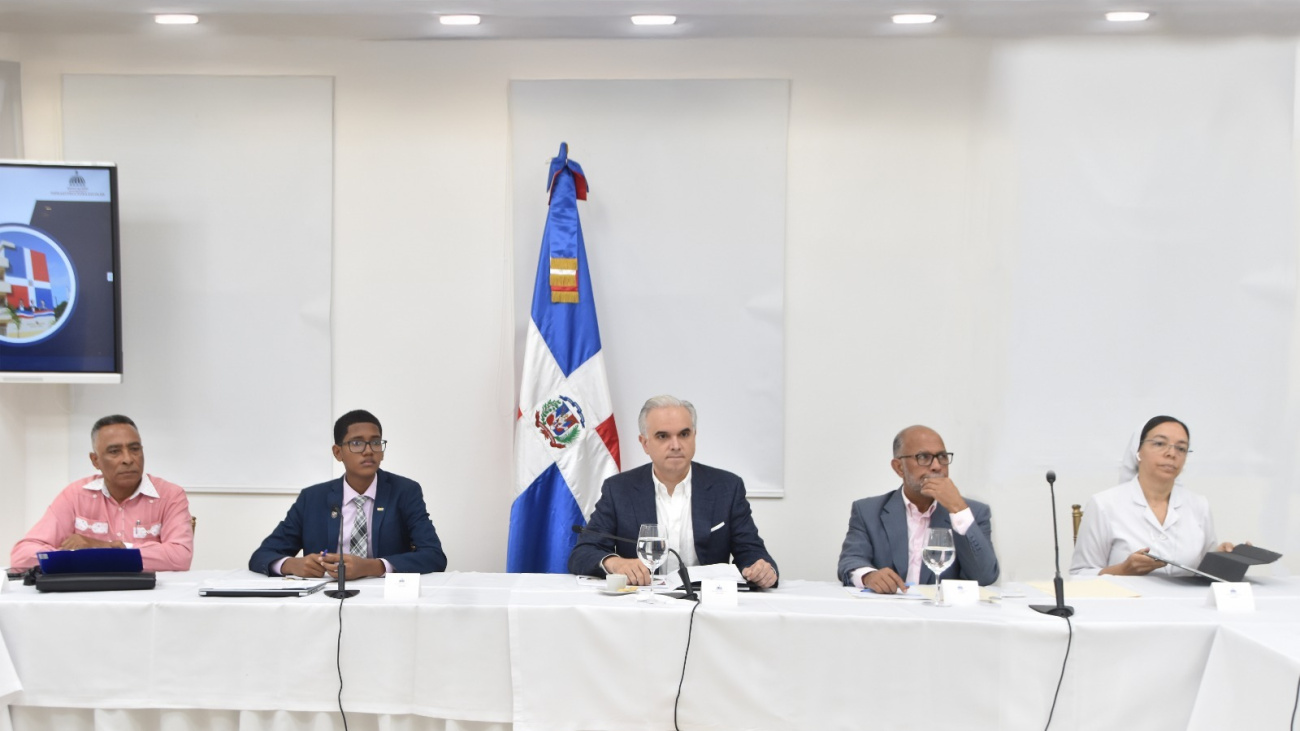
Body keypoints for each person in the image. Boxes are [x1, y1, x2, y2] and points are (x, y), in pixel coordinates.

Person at [567, 395, 779, 588]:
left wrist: (762, 569)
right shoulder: (619, 489)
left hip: (706, 603)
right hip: (642, 602)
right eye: (663, 436)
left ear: (694, 436)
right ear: (645, 443)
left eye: (684, 434)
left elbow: (752, 552)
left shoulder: (727, 488)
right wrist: (615, 563)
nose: (676, 445)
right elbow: (582, 554)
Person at [248, 409, 447, 577]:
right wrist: (291, 565)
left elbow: (434, 556)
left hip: (384, 597)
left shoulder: (404, 492)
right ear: (338, 452)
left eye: (375, 442)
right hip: (324, 597)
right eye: (357, 443)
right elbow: (262, 556)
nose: (368, 451)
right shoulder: (312, 498)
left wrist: (373, 567)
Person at [10, 414, 193, 572]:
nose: (128, 459)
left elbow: (180, 557)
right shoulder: (75, 495)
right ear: (95, 460)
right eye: (115, 452)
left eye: (134, 449)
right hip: (86, 594)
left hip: (147, 593)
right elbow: (21, 555)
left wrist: (104, 548)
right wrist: (71, 555)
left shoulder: (170, 495)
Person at [837, 425, 999, 592]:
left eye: (942, 457)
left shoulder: (972, 513)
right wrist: (868, 576)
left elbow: (984, 576)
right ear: (899, 467)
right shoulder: (867, 511)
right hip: (888, 605)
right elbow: (850, 560)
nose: (937, 466)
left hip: (942, 608)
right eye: (924, 457)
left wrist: (957, 509)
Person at [1070, 415, 1234, 577]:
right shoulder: (1104, 505)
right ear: (1138, 451)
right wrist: (1123, 570)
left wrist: (1222, 558)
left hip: (1186, 596)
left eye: (1181, 448)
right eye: (1159, 444)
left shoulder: (1199, 505)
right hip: (1124, 595)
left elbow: (1204, 574)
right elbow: (1079, 575)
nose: (1171, 453)